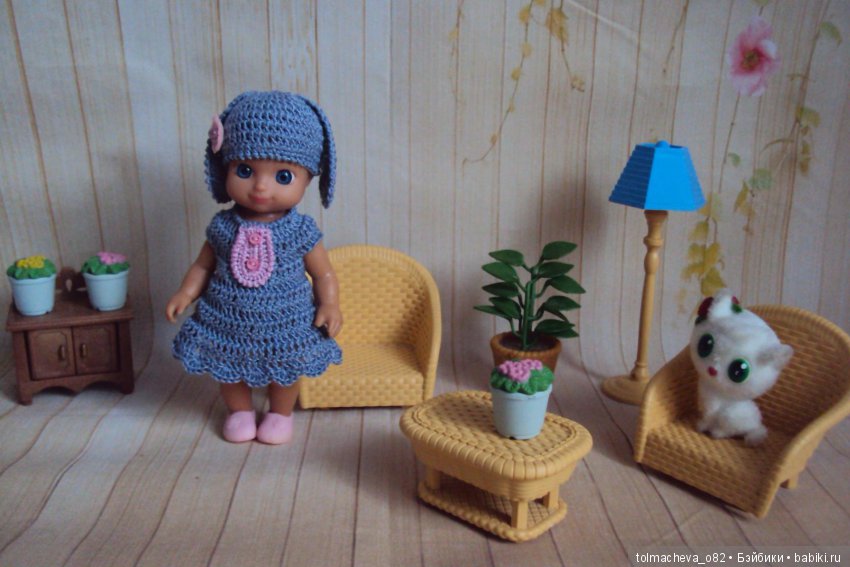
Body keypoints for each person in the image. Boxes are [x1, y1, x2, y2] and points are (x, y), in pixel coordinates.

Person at [166, 91, 342, 445]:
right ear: (226, 169)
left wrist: (330, 303)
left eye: (283, 176)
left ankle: (279, 414)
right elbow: (202, 266)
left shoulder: (300, 231)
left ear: (308, 180)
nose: (261, 186)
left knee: (286, 371)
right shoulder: (222, 227)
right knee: (227, 369)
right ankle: (240, 412)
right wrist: (186, 292)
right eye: (245, 171)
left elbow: (323, 273)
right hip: (225, 321)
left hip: (287, 322)